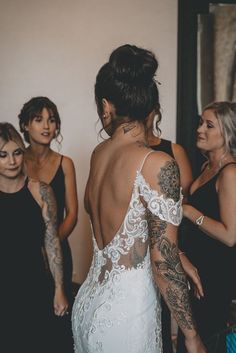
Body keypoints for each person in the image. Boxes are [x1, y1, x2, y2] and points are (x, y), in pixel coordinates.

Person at [72, 44, 206, 353]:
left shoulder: (98, 154)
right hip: (126, 317)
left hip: (88, 305)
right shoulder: (157, 164)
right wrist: (192, 336)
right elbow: (163, 261)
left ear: (106, 106)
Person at [0, 122, 68, 353]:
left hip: (34, 286)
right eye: (3, 155)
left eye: (17, 153)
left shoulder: (41, 191)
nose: (12, 161)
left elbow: (52, 244)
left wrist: (59, 289)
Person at [18, 96, 78, 353]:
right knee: (25, 323)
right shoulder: (14, 161)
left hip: (58, 252)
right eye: (38, 119)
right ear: (25, 125)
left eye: (51, 120)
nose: (46, 126)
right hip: (20, 254)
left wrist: (50, 245)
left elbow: (73, 214)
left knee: (58, 323)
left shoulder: (65, 164)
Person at [176, 101, 236, 353]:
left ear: (228, 133)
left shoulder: (230, 172)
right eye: (201, 122)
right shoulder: (206, 169)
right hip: (197, 274)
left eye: (209, 125)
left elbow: (230, 235)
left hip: (217, 278)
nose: (200, 129)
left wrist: (190, 211)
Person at [147, 108, 204, 353]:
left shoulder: (173, 151)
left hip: (172, 241)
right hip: (143, 254)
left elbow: (185, 205)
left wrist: (179, 251)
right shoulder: (122, 154)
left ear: (156, 112)